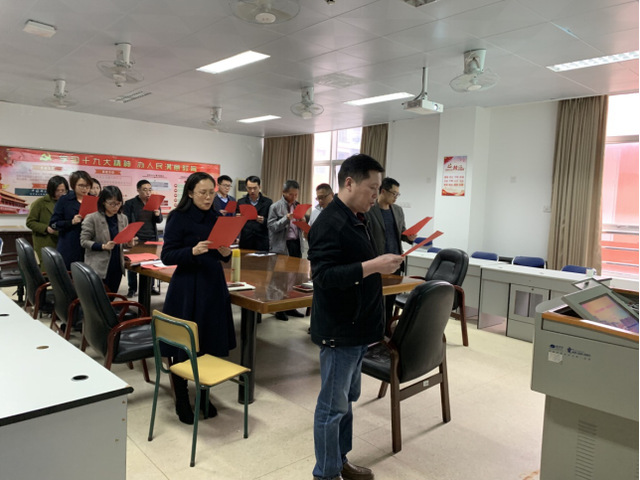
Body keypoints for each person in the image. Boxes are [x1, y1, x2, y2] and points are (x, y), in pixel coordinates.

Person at [308, 154, 403, 480]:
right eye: (372, 188)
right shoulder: (329, 223)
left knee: (347, 400)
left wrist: (379, 264)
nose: (377, 195)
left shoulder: (357, 217)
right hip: (340, 330)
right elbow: (323, 277)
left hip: (359, 327)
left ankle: (340, 461)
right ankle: (325, 474)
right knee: (332, 407)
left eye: (379, 188)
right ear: (349, 183)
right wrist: (374, 265)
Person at [161, 172, 236, 425]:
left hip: (212, 285)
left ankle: (204, 394)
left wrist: (226, 253)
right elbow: (167, 256)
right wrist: (192, 251)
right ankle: (182, 398)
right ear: (190, 193)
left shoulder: (217, 217)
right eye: (202, 192)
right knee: (184, 344)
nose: (207, 197)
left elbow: (222, 255)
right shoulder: (178, 217)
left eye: (211, 192)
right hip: (187, 287)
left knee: (208, 343)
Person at [365, 177, 417, 327]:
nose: (396, 197)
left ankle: (387, 328)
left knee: (390, 299)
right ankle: (374, 329)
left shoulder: (398, 210)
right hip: (377, 262)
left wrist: (408, 237)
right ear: (383, 191)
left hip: (395, 261)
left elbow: (401, 232)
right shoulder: (369, 209)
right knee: (375, 299)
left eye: (397, 194)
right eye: (394, 193)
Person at [80, 186, 132, 294]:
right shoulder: (92, 218)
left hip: (117, 264)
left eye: (118, 203)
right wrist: (103, 246)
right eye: (112, 204)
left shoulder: (123, 218)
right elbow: (84, 241)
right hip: (99, 265)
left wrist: (129, 243)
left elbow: (122, 243)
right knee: (99, 297)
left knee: (112, 295)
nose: (115, 207)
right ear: (103, 202)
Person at [267, 179, 306, 320]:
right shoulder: (275, 207)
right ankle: (279, 309)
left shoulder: (298, 206)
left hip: (296, 244)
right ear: (284, 192)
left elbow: (299, 226)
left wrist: (303, 222)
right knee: (280, 278)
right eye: (291, 194)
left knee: (294, 278)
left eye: (296, 194)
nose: (294, 197)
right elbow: (271, 227)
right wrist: (286, 219)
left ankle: (291, 307)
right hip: (282, 246)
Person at [123, 180, 163, 298]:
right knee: (133, 264)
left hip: (151, 237)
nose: (148, 192)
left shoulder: (154, 203)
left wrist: (157, 214)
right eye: (145, 190)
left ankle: (150, 287)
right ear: (138, 190)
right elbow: (126, 220)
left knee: (151, 263)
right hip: (137, 238)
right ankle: (132, 288)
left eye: (150, 190)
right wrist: (130, 236)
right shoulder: (130, 203)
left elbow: (159, 220)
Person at [50, 170, 93, 269]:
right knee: (69, 274)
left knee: (88, 275)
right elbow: (53, 224)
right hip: (69, 245)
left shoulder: (94, 200)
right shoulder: (65, 200)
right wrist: (71, 222)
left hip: (89, 246)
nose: (85, 189)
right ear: (73, 185)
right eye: (81, 185)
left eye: (87, 186)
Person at [26, 175, 69, 264]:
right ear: (51, 190)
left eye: (63, 190)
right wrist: (46, 228)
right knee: (47, 268)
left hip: (63, 242)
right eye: (57, 190)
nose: (60, 193)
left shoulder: (67, 203)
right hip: (46, 242)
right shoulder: (40, 203)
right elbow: (30, 222)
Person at [237, 175, 272, 252]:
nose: (252, 191)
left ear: (259, 187)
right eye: (249, 188)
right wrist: (238, 218)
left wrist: (263, 220)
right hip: (246, 240)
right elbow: (236, 223)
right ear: (246, 188)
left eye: (255, 188)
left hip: (261, 240)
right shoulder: (241, 202)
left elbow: (272, 222)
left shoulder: (268, 202)